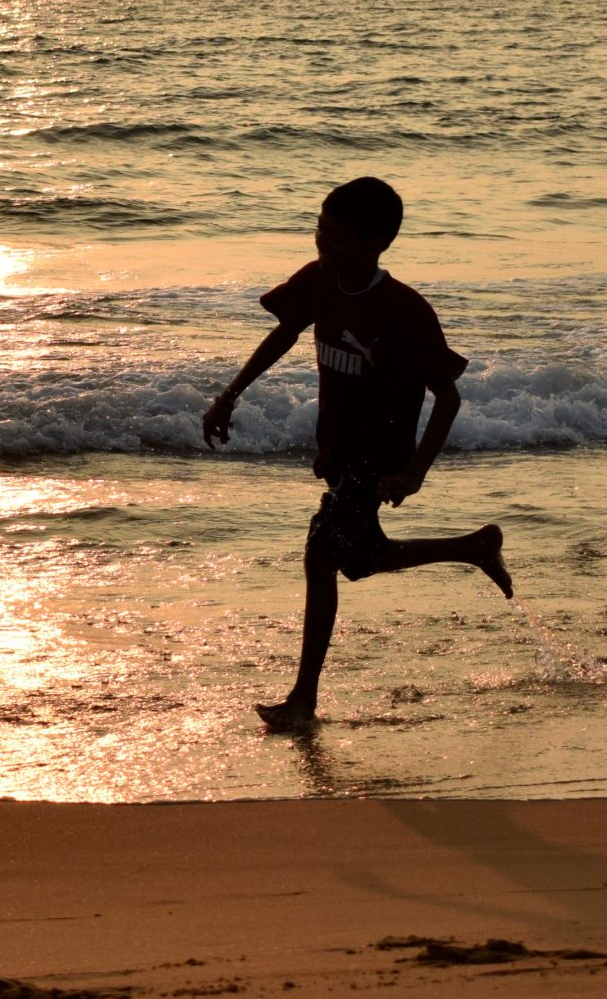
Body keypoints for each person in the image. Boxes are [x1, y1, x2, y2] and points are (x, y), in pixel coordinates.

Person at [203, 176, 512, 734]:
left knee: (321, 557)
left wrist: (414, 471)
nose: (324, 244)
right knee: (361, 558)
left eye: (339, 237)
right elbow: (285, 332)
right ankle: (473, 547)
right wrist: (231, 392)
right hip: (339, 449)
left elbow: (449, 396)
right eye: (321, 230)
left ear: (377, 244)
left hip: (381, 455)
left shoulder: (404, 310)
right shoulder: (318, 281)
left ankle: (302, 700)